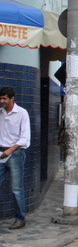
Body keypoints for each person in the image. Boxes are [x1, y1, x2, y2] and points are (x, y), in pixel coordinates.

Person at [0, 87, 31, 230]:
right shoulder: (0, 113)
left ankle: (20, 218)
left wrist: (10, 150)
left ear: (12, 98)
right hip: (1, 152)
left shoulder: (22, 113)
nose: (2, 101)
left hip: (16, 153)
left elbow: (25, 138)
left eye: (4, 99)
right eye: (0, 99)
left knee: (16, 189)